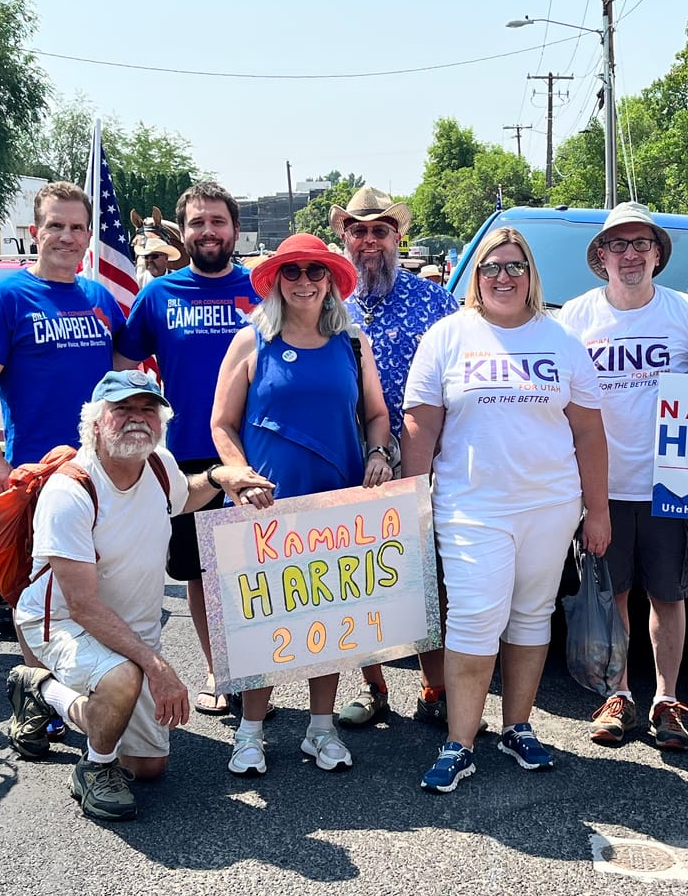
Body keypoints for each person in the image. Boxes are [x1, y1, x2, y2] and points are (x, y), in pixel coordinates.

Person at [7, 370, 270, 820]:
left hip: (129, 630)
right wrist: (155, 665)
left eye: (148, 409)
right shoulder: (71, 490)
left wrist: (218, 476)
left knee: (149, 767)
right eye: (122, 409)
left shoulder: (157, 464)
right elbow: (83, 605)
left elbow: (183, 496)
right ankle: (93, 767)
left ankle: (41, 691)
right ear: (94, 423)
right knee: (123, 678)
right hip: (62, 623)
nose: (137, 419)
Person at [401, 226, 610, 793]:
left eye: (515, 266)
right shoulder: (448, 337)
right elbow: (420, 428)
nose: (503, 276)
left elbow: (589, 431)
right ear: (476, 277)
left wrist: (598, 511)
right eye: (492, 267)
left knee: (531, 615)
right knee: (472, 614)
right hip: (471, 507)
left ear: (531, 275)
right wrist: (410, 505)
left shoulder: (562, 340)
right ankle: (459, 741)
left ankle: (518, 725)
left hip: (550, 505)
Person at [210, 234, 393, 775]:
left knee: (325, 616)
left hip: (334, 499)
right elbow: (221, 423)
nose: (307, 281)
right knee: (260, 619)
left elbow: (377, 414)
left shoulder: (353, 343)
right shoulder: (250, 341)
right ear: (277, 281)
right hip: (264, 504)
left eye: (317, 271)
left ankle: (320, 727)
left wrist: (379, 453)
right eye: (294, 272)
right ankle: (250, 732)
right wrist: (237, 475)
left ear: (332, 280)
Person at [556, 203, 688, 753]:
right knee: (613, 595)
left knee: (669, 597)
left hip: (670, 486)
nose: (629, 255)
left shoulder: (687, 314)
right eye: (617, 245)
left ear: (657, 253)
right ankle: (617, 693)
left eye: (640, 244)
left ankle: (667, 699)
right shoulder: (574, 317)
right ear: (600, 256)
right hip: (600, 489)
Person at [118, 182, 262, 715]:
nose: (208, 231)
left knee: (256, 570)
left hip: (256, 453)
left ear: (234, 230)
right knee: (202, 573)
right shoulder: (158, 297)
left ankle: (263, 667)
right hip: (188, 458)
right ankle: (219, 669)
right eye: (198, 222)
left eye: (217, 222)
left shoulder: (263, 290)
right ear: (184, 232)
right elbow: (123, 370)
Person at [326, 185, 458, 731]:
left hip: (425, 453)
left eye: (380, 230)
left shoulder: (435, 302)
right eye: (359, 230)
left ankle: (435, 688)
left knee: (426, 577)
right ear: (345, 237)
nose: (370, 240)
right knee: (358, 578)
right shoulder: (330, 304)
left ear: (398, 237)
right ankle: (374, 687)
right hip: (348, 454)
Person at [0, 181, 128, 493]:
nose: (67, 237)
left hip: (102, 466)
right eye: (55, 225)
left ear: (88, 237)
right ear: (34, 232)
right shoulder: (5, 297)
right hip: (35, 470)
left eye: (77, 228)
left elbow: (126, 366)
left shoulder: (100, 297)